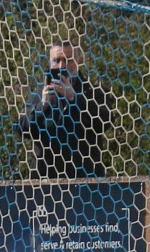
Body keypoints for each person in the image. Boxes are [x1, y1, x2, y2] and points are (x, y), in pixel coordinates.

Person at [16, 40, 113, 179]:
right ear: (49, 62)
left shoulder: (94, 92)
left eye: (68, 60)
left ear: (78, 61)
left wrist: (73, 97)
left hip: (86, 183)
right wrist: (42, 106)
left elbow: (105, 121)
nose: (62, 66)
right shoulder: (38, 94)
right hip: (45, 185)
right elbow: (22, 128)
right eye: (56, 60)